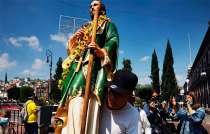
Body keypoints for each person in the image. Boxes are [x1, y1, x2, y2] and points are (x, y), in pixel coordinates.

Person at [56, 0, 119, 133]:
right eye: (90, 6)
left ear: (102, 9)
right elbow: (74, 51)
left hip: (94, 69)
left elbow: (113, 41)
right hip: (77, 68)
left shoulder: (108, 25)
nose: (91, 7)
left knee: (84, 102)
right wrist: (75, 39)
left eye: (95, 5)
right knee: (72, 99)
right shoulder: (85, 27)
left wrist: (101, 50)